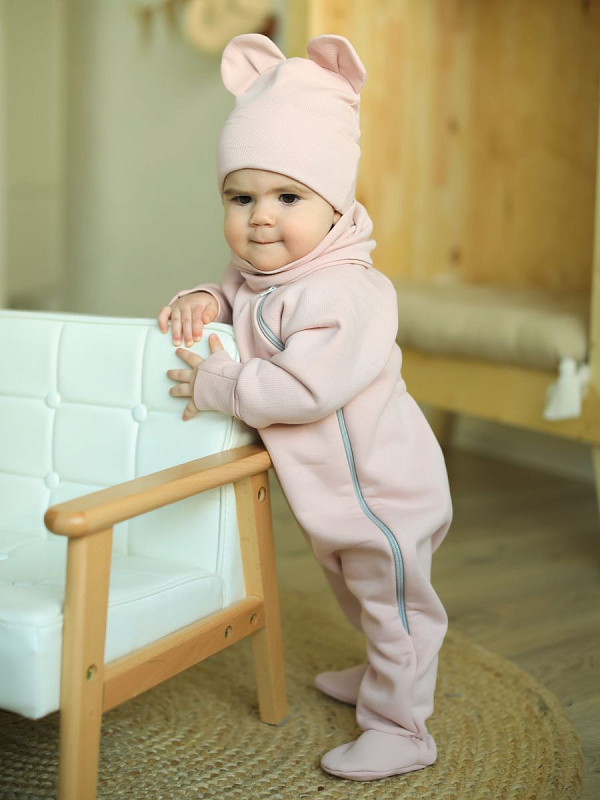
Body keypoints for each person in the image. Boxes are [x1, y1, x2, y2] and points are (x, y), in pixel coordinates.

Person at [159, 33, 452, 782]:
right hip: (332, 494)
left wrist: (223, 384)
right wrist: (204, 296)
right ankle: (382, 670)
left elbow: (304, 388)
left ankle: (401, 725)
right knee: (358, 596)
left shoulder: (345, 293)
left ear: (335, 204)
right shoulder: (270, 276)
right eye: (242, 197)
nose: (261, 218)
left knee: (396, 607)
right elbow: (240, 294)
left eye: (288, 197)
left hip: (384, 491)